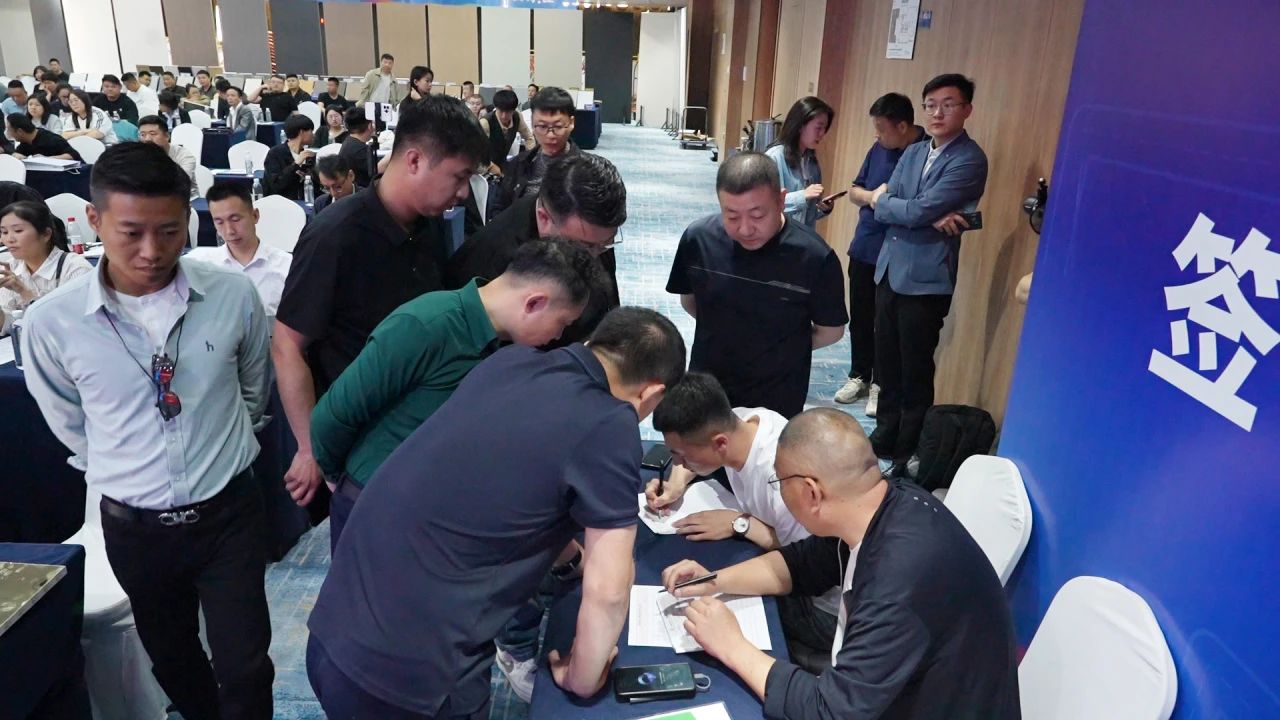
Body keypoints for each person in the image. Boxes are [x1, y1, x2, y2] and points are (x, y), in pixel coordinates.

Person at [306, 306, 685, 718]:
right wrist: (581, 677)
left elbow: (506, 490)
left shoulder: (509, 362)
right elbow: (609, 592)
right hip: (414, 680)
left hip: (333, 633)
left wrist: (570, 559)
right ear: (651, 394)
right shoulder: (610, 423)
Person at [21, 142, 275, 720]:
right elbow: (69, 422)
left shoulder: (231, 295)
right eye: (131, 233)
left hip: (228, 514)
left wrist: (219, 445)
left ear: (189, 221)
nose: (152, 251)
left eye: (169, 231)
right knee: (173, 657)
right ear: (94, 219)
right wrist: (131, 461)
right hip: (135, 526)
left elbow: (254, 393)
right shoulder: (52, 323)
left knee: (245, 664)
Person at [660, 408, 1020, 719]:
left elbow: (831, 711)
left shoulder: (897, 578)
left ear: (811, 492)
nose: (779, 490)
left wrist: (731, 646)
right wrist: (713, 580)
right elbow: (802, 565)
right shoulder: (884, 503)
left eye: (779, 481)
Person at [272, 94, 486, 519]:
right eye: (458, 177)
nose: (463, 193)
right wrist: (311, 449)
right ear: (414, 160)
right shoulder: (335, 235)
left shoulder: (428, 226)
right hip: (353, 448)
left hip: (415, 438)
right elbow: (287, 345)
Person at [313, 238, 606, 548]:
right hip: (378, 509)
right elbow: (331, 417)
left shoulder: (503, 346)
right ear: (534, 303)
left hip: (431, 514)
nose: (558, 336)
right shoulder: (426, 325)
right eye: (562, 323)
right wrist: (343, 485)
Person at [646, 372, 842, 672]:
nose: (678, 463)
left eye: (680, 455)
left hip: (825, 607)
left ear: (720, 444)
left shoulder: (781, 479)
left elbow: (803, 561)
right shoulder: (742, 421)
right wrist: (676, 483)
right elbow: (695, 458)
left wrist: (739, 523)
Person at [867, 73, 988, 476]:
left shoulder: (969, 159)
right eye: (931, 105)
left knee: (914, 369)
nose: (937, 113)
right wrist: (906, 208)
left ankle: (906, 450)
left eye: (948, 105)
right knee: (886, 363)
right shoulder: (915, 151)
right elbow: (897, 202)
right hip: (890, 269)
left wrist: (899, 206)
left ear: (967, 110)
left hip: (926, 279)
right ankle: (884, 434)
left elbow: (910, 207)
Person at [667, 151, 847, 418]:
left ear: (782, 201)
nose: (745, 229)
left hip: (777, 394)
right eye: (732, 216)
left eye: (758, 215)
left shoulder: (814, 257)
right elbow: (690, 301)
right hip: (708, 387)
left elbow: (831, 331)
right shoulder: (698, 239)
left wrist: (780, 347)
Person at [448, 152, 624, 344]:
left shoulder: (592, 236)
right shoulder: (493, 259)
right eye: (586, 247)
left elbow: (608, 306)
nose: (595, 256)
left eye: (607, 243)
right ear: (544, 218)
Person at [833, 93, 927, 411]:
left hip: (899, 255)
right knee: (860, 317)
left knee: (887, 326)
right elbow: (855, 191)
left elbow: (916, 208)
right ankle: (859, 375)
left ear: (902, 126)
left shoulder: (924, 153)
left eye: (881, 129)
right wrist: (873, 197)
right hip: (866, 245)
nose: (877, 135)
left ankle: (881, 385)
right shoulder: (879, 149)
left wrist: (881, 202)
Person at [187, 183, 292, 316]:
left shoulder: (286, 267)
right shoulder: (201, 264)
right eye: (219, 222)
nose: (229, 231)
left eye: (235, 219)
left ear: (255, 216)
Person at [0, 200, 93, 334]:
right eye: (4, 232)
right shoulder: (11, 267)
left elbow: (74, 325)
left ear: (46, 234)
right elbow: (9, 325)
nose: (8, 239)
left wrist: (23, 291)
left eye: (18, 230)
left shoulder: (75, 269)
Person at [492, 86, 578, 215]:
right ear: (532, 124)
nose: (550, 135)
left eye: (558, 127)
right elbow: (499, 208)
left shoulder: (587, 170)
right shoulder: (519, 164)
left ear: (571, 123)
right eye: (542, 126)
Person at [765, 96, 835, 229]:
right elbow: (764, 205)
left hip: (802, 236)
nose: (822, 134)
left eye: (825, 128)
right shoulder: (774, 157)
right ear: (800, 126)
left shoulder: (811, 162)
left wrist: (823, 208)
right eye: (818, 127)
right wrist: (802, 196)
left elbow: (808, 213)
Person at [478, 89, 533, 176]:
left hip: (502, 164)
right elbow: (475, 152)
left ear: (513, 110)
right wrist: (490, 166)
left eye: (508, 112)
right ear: (496, 108)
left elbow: (529, 137)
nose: (504, 116)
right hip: (482, 168)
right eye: (501, 111)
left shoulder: (517, 117)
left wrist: (530, 156)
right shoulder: (485, 122)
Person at [262, 114, 315, 201]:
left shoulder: (308, 155)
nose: (313, 135)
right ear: (301, 132)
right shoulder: (275, 153)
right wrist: (296, 164)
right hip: (280, 202)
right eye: (311, 131)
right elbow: (276, 185)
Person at [136, 115, 197, 185]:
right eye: (143, 135)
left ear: (167, 136)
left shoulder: (184, 156)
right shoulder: (139, 155)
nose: (147, 139)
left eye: (152, 134)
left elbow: (180, 183)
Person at [7, 113, 80, 161]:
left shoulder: (51, 139)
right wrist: (15, 156)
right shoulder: (25, 142)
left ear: (20, 131)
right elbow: (19, 154)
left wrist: (47, 159)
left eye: (9, 130)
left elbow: (73, 155)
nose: (8, 134)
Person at [337, 106, 376, 187]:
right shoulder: (359, 149)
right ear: (369, 126)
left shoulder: (349, 142)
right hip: (361, 191)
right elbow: (376, 169)